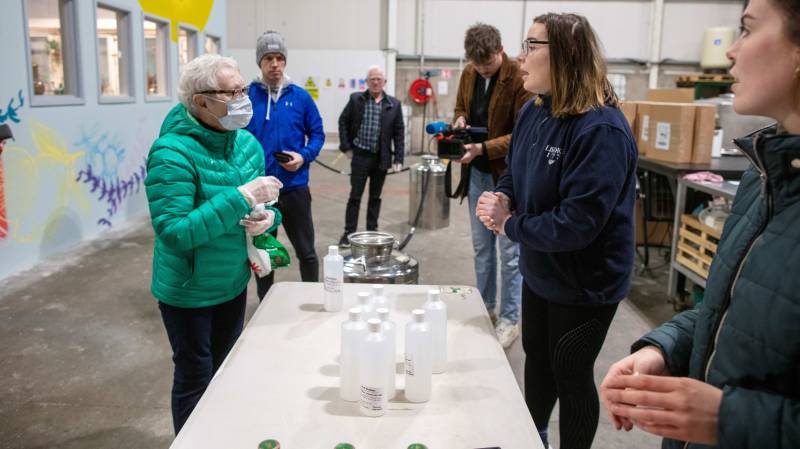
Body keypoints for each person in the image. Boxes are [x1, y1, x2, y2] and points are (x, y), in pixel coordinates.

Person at [600, 0, 800, 447]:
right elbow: (726, 310)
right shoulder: (763, 176)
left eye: (747, 29)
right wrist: (663, 348)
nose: (732, 51)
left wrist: (731, 418)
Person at [476, 13, 637, 449]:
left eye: (531, 46)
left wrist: (510, 224)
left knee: (569, 369)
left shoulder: (600, 129)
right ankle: (535, 436)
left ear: (564, 56)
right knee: (538, 358)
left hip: (586, 281)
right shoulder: (534, 110)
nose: (520, 56)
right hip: (541, 266)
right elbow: (515, 171)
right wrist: (504, 196)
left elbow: (577, 224)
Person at [144, 54, 283, 433]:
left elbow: (264, 202)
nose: (243, 97)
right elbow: (173, 231)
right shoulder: (171, 153)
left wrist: (270, 218)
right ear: (200, 100)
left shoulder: (247, 146)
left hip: (232, 281)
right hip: (189, 290)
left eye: (242, 88)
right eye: (231, 91)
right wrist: (240, 198)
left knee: (225, 370)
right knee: (195, 376)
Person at [453, 23, 532, 348]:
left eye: (488, 64)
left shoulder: (519, 77)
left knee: (509, 251)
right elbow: (460, 106)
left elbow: (521, 134)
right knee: (481, 247)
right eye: (477, 65)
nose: (482, 69)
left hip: (508, 177)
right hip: (478, 175)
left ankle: (510, 318)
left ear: (500, 51)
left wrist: (483, 148)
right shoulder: (470, 73)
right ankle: (484, 307)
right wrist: (459, 120)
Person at [245, 30, 325, 300]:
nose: (275, 64)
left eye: (280, 57)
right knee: (265, 253)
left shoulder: (300, 97)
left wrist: (303, 156)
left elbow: (317, 134)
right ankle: (266, 303)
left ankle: (313, 297)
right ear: (260, 62)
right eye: (269, 58)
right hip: (261, 193)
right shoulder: (247, 97)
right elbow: (236, 139)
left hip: (295, 188)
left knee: (307, 251)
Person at [337, 65, 405, 246]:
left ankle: (371, 231)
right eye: (372, 79)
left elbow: (399, 132)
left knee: (375, 197)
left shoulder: (393, 105)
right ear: (366, 82)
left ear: (385, 82)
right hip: (360, 156)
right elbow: (343, 121)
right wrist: (346, 147)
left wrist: (398, 158)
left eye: (379, 79)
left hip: (381, 158)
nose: (375, 82)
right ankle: (348, 233)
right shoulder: (356, 100)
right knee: (355, 196)